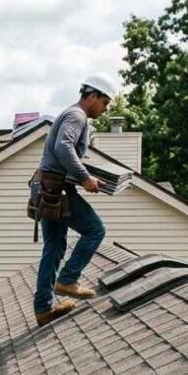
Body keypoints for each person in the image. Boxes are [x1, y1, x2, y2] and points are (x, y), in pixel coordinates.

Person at [31, 74, 115, 326]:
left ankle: (43, 309)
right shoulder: (76, 116)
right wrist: (85, 177)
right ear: (92, 96)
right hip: (56, 188)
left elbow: (63, 153)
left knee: (54, 247)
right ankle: (68, 279)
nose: (106, 108)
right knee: (95, 230)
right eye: (105, 102)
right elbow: (63, 148)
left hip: (50, 187)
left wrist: (89, 174)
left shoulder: (72, 115)